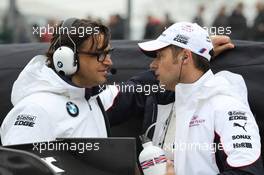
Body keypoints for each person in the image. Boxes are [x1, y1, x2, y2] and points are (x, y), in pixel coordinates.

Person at [0, 18, 233, 146]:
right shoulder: (35, 110)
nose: (108, 61)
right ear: (66, 59)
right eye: (99, 54)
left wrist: (195, 51)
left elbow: (142, 87)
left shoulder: (95, 100)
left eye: (108, 52)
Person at [138, 22, 263, 174]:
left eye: (160, 56)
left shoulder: (226, 106)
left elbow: (247, 173)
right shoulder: (168, 101)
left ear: (185, 56)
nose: (152, 65)